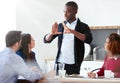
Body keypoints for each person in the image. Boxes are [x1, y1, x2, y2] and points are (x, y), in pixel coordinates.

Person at [44, 1, 93, 75]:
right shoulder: (61, 26)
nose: (65, 14)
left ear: (75, 11)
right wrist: (51, 33)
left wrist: (72, 31)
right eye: (64, 11)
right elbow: (46, 40)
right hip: (59, 63)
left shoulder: (83, 26)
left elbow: (89, 39)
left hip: (73, 65)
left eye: (68, 11)